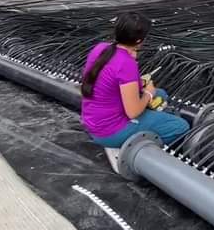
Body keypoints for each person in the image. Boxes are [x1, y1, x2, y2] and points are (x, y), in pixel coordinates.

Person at [80, 11, 189, 171]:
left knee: (162, 95)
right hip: (109, 131)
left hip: (92, 120)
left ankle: (145, 125)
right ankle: (131, 150)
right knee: (180, 127)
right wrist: (148, 93)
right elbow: (133, 112)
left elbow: (111, 76)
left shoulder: (101, 48)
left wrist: (141, 83)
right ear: (139, 40)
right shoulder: (126, 64)